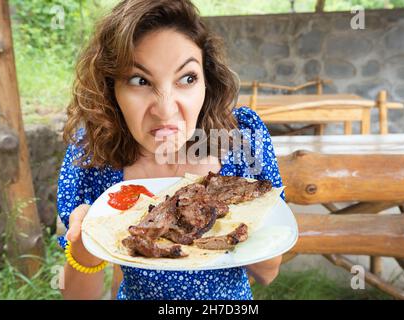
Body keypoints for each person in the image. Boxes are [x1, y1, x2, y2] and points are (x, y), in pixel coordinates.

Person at [57, 0, 285, 300]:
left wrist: (234, 224)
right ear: (111, 89)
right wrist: (83, 246)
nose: (165, 111)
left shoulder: (240, 138)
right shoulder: (94, 155)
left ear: (207, 81)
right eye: (140, 80)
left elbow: (268, 273)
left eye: (187, 79)